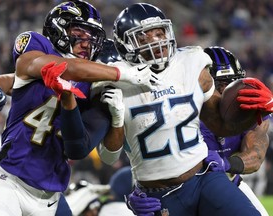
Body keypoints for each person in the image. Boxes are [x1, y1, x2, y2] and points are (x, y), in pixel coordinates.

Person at [51, 3, 273, 215]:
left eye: (160, 33)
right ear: (125, 43)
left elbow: (221, 124)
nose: (157, 41)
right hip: (156, 195)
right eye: (145, 35)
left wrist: (256, 111)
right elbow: (109, 157)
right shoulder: (113, 79)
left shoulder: (192, 63)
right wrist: (117, 120)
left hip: (203, 179)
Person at [0, 1, 159, 216]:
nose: (86, 44)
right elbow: (26, 73)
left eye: (92, 38)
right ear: (59, 28)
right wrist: (120, 73)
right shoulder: (38, 46)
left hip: (50, 197)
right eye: (79, 33)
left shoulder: (94, 91)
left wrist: (101, 110)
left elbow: (78, 149)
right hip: (8, 182)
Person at [202, 46, 269, 216]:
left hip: (232, 185)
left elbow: (256, 156)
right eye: (219, 85)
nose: (227, 91)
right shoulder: (185, 113)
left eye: (232, 83)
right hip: (192, 191)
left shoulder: (248, 112)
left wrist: (226, 164)